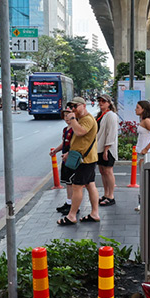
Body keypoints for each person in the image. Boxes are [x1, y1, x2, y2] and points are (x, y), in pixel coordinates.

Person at [57, 97, 101, 226]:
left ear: (83, 105)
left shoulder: (87, 119)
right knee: (90, 185)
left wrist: (72, 119)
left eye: (76, 106)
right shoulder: (82, 119)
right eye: (72, 107)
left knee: (77, 187)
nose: (73, 109)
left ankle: (71, 216)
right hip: (85, 158)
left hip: (85, 160)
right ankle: (94, 213)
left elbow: (80, 132)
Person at [133, 100, 150, 213]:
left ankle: (144, 203)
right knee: (144, 178)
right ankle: (143, 203)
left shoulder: (147, 121)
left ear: (143, 109)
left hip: (146, 154)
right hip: (142, 152)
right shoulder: (144, 120)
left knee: (145, 179)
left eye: (138, 107)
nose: (135, 109)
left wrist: (146, 149)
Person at [95, 95, 119, 207]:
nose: (101, 103)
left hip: (107, 148)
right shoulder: (101, 115)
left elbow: (111, 133)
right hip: (99, 147)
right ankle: (106, 194)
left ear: (109, 103)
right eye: (99, 101)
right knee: (102, 171)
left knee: (108, 171)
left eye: (103, 101)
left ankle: (111, 196)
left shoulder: (111, 115)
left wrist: (106, 149)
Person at [50, 123, 75, 214]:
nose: (67, 117)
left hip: (73, 159)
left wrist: (69, 153)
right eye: (65, 116)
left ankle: (74, 206)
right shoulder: (65, 129)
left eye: (68, 115)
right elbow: (64, 143)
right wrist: (55, 151)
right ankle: (69, 203)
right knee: (68, 182)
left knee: (75, 183)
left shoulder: (77, 129)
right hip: (65, 159)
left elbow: (77, 144)